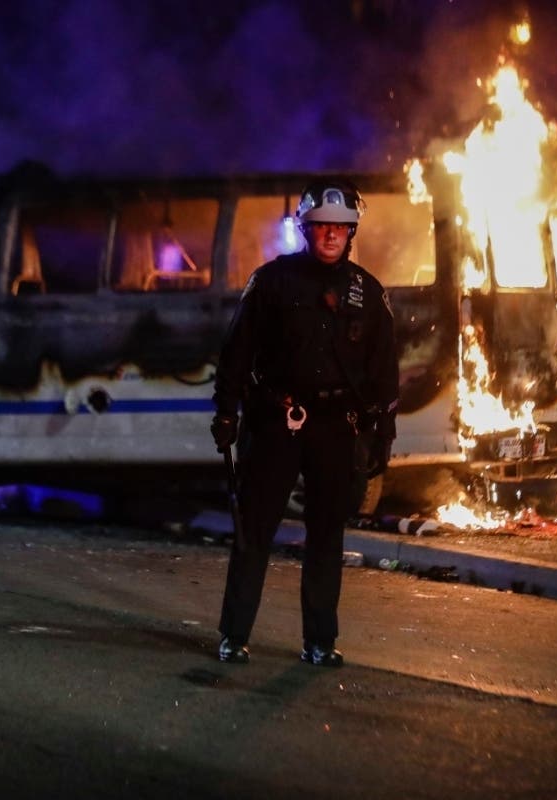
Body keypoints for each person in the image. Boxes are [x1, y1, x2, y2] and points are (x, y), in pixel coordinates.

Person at [210, 179, 399, 667]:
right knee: (254, 531)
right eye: (321, 227)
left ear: (351, 232)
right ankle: (233, 635)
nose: (330, 235)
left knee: (326, 537)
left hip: (336, 429)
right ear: (304, 228)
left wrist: (383, 434)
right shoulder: (271, 282)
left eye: (340, 227)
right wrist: (227, 412)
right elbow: (236, 352)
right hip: (275, 423)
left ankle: (320, 642)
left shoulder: (368, 293)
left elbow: (384, 372)